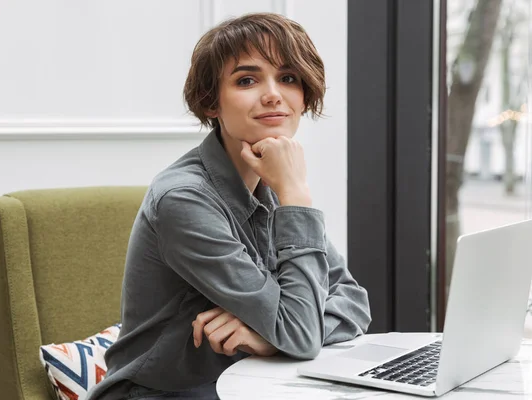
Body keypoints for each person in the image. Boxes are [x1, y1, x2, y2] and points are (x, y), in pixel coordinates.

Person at [87, 12, 371, 400]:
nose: (273, 94)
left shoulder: (272, 185)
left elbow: (354, 301)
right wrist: (296, 196)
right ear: (211, 103)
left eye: (288, 78)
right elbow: (301, 336)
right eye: (247, 80)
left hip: (253, 383)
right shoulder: (184, 199)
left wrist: (270, 339)